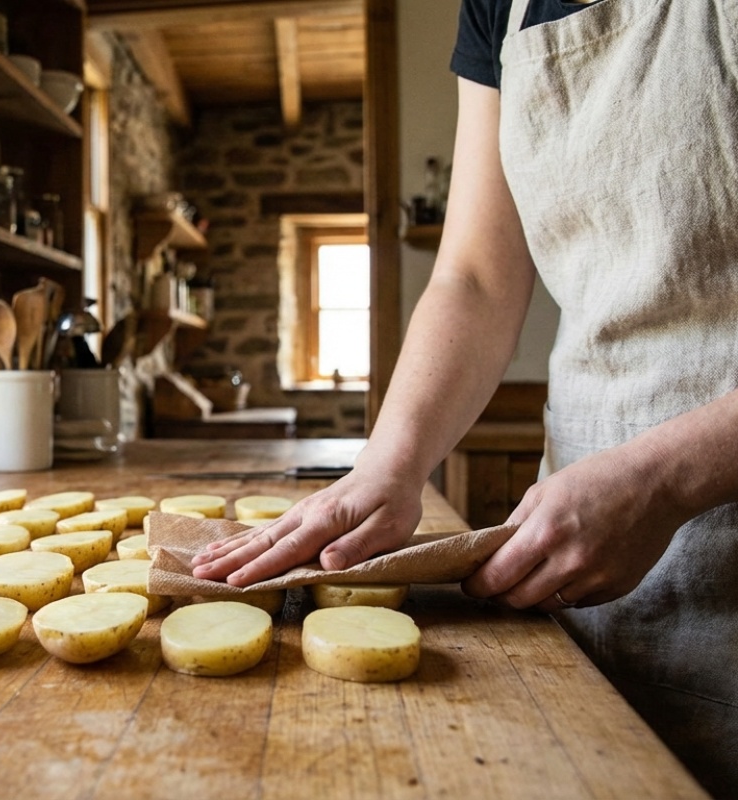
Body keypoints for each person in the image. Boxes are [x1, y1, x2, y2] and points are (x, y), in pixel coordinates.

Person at [191, 0, 738, 793]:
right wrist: (390, 462)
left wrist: (663, 477)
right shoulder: (495, 6)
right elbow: (475, 278)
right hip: (579, 543)